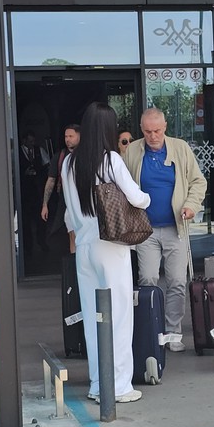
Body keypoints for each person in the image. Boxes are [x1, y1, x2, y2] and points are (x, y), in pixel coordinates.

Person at [62, 102, 149, 403]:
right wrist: (147, 197)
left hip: (84, 247)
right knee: (120, 316)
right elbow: (137, 199)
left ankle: (98, 384)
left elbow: (69, 214)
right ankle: (120, 386)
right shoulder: (110, 159)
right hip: (110, 247)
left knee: (92, 317)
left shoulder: (69, 163)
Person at [122, 108, 206, 353]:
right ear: (142, 130)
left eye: (157, 131)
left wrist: (191, 205)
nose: (153, 136)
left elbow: (198, 181)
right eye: (147, 131)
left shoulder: (180, 148)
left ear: (165, 127)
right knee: (147, 279)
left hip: (175, 227)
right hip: (145, 229)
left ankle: (173, 332)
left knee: (177, 281)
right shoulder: (133, 152)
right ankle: (151, 329)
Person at [41, 124, 80, 252]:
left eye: (71, 136)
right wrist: (45, 204)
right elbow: (51, 180)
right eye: (66, 136)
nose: (68, 139)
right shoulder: (60, 157)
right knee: (71, 235)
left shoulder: (88, 156)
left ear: (79, 136)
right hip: (66, 202)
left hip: (85, 202)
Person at [19, 131, 49, 255]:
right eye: (30, 141)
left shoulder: (39, 150)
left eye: (33, 141)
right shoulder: (17, 152)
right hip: (24, 190)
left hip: (37, 189)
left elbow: (47, 164)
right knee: (25, 220)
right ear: (24, 141)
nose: (32, 144)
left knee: (40, 219)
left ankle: (41, 242)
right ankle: (28, 246)